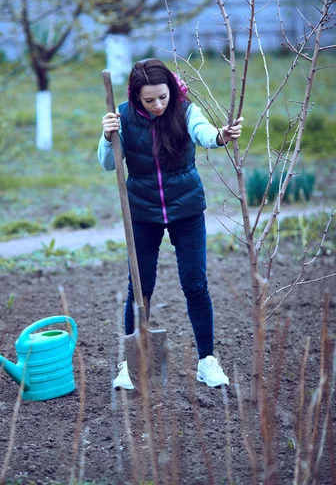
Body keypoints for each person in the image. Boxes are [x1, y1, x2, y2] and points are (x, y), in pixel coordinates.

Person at [98, 58, 243, 390]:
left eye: (163, 96)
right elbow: (108, 164)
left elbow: (204, 133)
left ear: (171, 91)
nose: (158, 105)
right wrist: (108, 136)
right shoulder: (121, 116)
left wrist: (220, 136)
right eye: (150, 100)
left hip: (186, 209)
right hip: (143, 213)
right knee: (140, 287)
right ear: (136, 97)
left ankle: (207, 361)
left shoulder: (185, 110)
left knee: (195, 283)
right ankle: (129, 363)